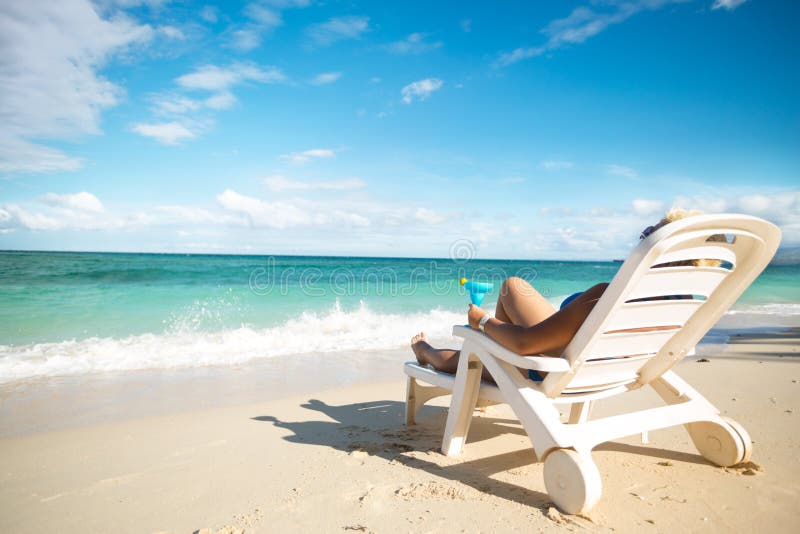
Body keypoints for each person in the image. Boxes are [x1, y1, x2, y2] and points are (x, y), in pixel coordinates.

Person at [411, 208, 710, 382]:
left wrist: (481, 321)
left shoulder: (609, 297)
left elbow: (525, 343)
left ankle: (428, 353)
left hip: (555, 371)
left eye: (646, 236)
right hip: (607, 371)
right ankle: (454, 355)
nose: (639, 241)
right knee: (509, 310)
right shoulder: (681, 307)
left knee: (511, 288)